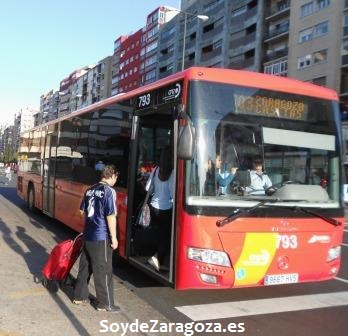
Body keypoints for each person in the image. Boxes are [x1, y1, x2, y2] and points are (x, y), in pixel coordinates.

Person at [73, 165, 120, 313]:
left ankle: (79, 296)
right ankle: (105, 303)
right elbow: (111, 216)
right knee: (104, 270)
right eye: (116, 178)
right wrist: (114, 238)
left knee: (85, 267)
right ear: (111, 176)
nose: (116, 181)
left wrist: (92, 222)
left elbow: (82, 211)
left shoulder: (89, 190)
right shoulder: (109, 191)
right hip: (101, 236)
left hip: (88, 234)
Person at [146, 146, 173, 272]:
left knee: (158, 233)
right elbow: (173, 193)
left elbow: (148, 188)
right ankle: (156, 257)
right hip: (166, 209)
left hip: (153, 207)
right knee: (167, 236)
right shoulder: (172, 172)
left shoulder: (156, 169)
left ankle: (156, 257)